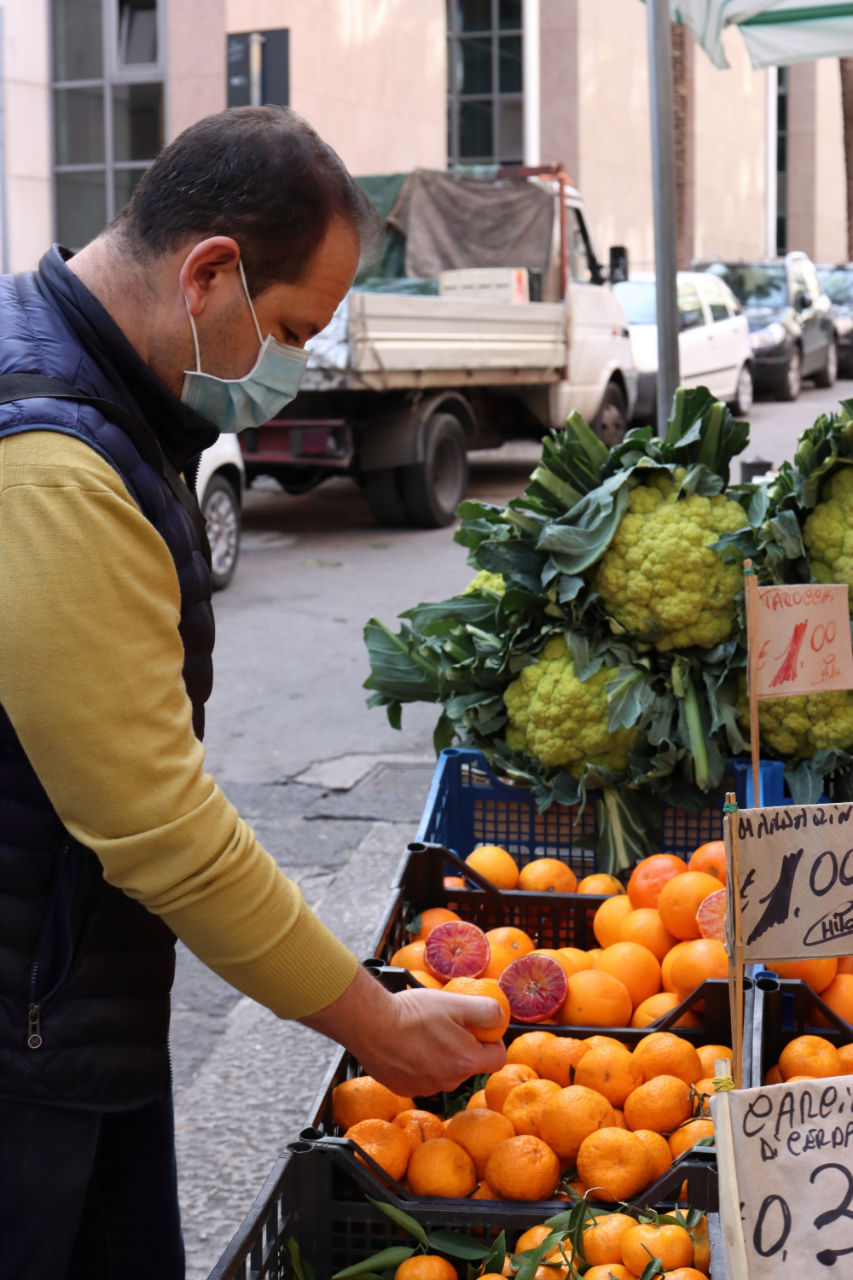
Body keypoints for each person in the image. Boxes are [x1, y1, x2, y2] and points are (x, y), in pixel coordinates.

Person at [0, 105, 506, 1280]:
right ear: (209, 272)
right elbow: (161, 828)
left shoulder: (95, 382)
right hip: (28, 1032)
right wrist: (373, 1024)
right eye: (288, 327)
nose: (288, 366)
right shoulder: (54, 463)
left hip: (73, 989)